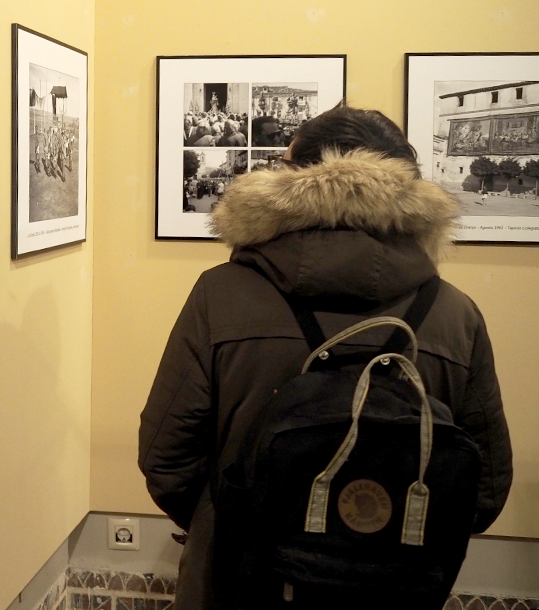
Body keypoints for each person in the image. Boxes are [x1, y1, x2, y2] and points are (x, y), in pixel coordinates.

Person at [138, 106, 512, 609]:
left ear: (290, 180)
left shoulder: (220, 295)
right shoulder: (454, 314)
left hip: (237, 583)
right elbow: (484, 484)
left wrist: (235, 522)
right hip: (393, 590)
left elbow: (167, 458)